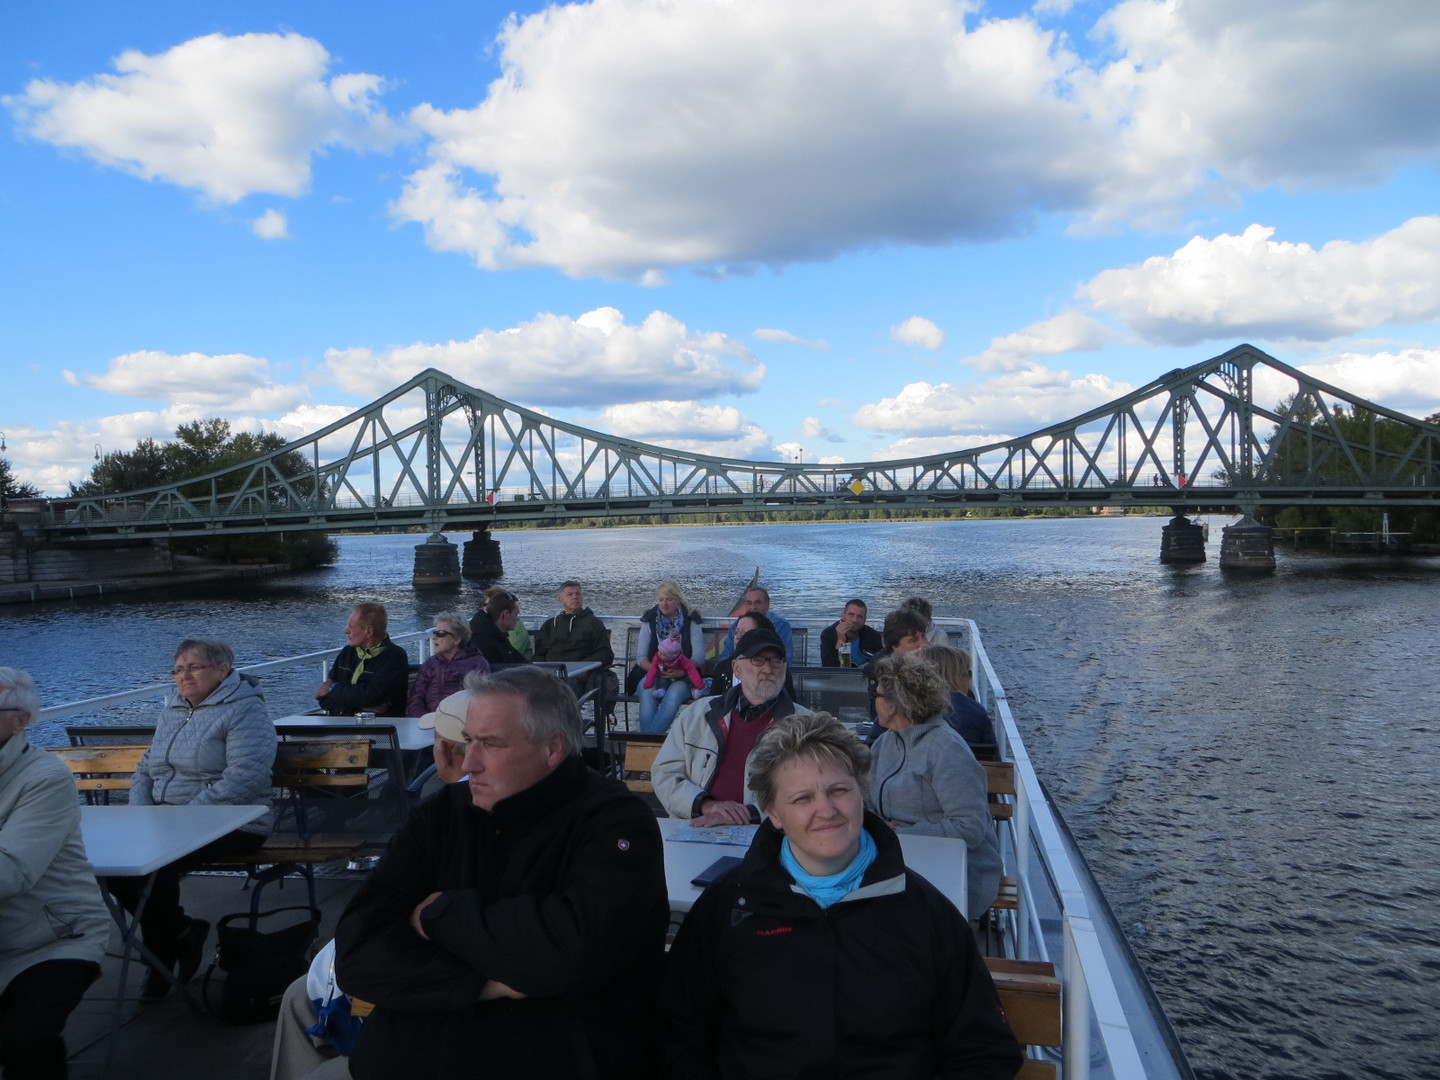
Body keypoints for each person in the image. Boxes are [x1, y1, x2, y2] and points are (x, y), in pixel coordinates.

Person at [332, 666, 668, 1080]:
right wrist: (485, 983)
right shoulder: (440, 815)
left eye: (490, 744)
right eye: (468, 740)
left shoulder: (614, 823)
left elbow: (572, 955)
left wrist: (436, 916)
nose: (469, 762)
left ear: (552, 748)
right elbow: (355, 955)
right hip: (402, 1060)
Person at [659, 712, 1023, 1080]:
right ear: (774, 814)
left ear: (860, 792)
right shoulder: (728, 909)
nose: (827, 811)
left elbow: (984, 1051)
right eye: (802, 798)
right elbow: (680, 1032)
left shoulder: (924, 913)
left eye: (839, 790)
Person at [112, 639, 277, 998]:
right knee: (114, 868)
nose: (184, 675)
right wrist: (142, 814)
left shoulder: (245, 710)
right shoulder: (172, 709)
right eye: (178, 669)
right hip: (168, 821)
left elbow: (245, 776)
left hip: (234, 821)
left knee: (155, 866)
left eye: (194, 667)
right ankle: (181, 932)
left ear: (222, 670)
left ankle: (161, 959)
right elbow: (145, 769)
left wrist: (184, 818)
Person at [0, 667, 110, 1079]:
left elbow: (11, 872)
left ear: (20, 720)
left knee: (24, 1037)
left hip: (53, 938)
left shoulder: (45, 779)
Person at [868, 653, 1001, 919]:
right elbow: (868, 803)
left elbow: (970, 827)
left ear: (894, 705)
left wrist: (904, 833)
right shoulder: (885, 744)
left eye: (877, 695)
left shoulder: (947, 750)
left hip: (958, 871)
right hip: (900, 860)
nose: (873, 701)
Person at [651, 628, 809, 826]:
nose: (768, 669)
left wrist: (752, 814)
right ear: (736, 668)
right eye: (758, 660)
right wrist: (705, 805)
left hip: (771, 833)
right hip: (697, 827)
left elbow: (816, 792)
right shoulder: (697, 714)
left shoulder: (806, 725)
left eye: (777, 661)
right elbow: (665, 773)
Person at [635, 581, 706, 734]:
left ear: (678, 599)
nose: (664, 603)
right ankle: (649, 742)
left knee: (672, 697)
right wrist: (655, 670)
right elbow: (640, 657)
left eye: (669, 599)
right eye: (661, 600)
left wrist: (682, 672)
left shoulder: (691, 621)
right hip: (654, 673)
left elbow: (699, 656)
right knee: (646, 692)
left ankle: (644, 743)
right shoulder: (650, 622)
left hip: (684, 676)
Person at [316, 603, 409, 717]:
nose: (346, 631)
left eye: (351, 627)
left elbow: (370, 696)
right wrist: (358, 707)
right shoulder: (347, 652)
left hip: (378, 730)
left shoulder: (395, 657)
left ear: (368, 631)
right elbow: (323, 697)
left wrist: (333, 689)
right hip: (340, 727)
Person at [405, 612, 490, 717]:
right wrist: (423, 720)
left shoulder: (477, 664)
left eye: (440, 633)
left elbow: (481, 701)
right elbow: (415, 700)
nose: (434, 637)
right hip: (428, 722)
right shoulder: (430, 664)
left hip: (461, 724)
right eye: (434, 633)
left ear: (457, 639)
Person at [922, 643, 998, 752]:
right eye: (969, 673)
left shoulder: (908, 707)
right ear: (957, 676)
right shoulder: (977, 712)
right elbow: (993, 757)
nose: (970, 679)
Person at [717, 586, 793, 662]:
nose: (753, 607)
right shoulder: (736, 625)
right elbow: (727, 656)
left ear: (767, 604)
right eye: (749, 603)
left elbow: (785, 658)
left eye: (757, 603)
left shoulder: (780, 625)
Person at [468, 588, 528, 667]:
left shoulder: (494, 634)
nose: (518, 619)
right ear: (505, 614)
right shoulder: (488, 644)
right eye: (516, 614)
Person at [819, 598, 883, 667]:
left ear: (864, 620)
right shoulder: (828, 635)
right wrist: (841, 641)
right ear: (843, 615)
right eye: (851, 614)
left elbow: (880, 665)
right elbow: (829, 668)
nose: (855, 620)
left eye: (860, 617)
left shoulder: (873, 636)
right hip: (840, 676)